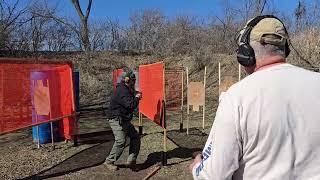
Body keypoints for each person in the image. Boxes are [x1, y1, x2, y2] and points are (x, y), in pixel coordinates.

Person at [190, 15, 320, 179]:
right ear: (285, 48)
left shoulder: (236, 97)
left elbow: (213, 175)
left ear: (246, 52)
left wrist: (197, 167)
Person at [104, 70, 142, 171]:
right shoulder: (122, 90)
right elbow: (130, 104)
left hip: (123, 119)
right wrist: (137, 97)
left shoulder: (126, 88)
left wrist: (135, 95)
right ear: (128, 80)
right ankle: (109, 161)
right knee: (121, 141)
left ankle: (131, 161)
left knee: (135, 137)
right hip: (116, 119)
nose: (134, 82)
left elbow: (130, 101)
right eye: (133, 80)